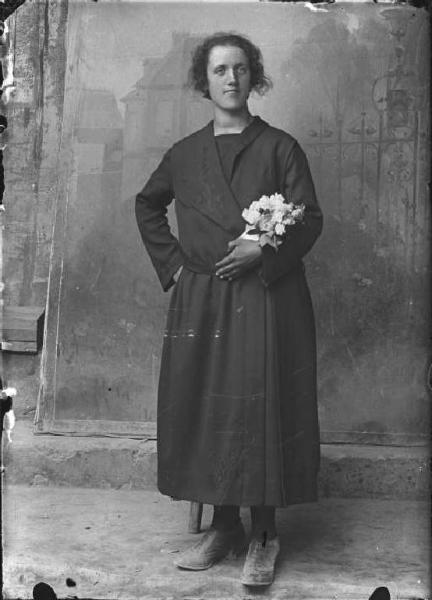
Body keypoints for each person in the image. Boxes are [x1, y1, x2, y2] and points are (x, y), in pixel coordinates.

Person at [135, 32, 323, 587]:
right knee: (211, 405)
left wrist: (262, 249)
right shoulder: (184, 153)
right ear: (204, 81)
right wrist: (174, 266)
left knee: (262, 404)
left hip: (268, 296)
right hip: (205, 298)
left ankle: (264, 529)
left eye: (241, 68)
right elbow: (147, 204)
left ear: (253, 76)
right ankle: (224, 526)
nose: (231, 79)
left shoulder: (280, 147)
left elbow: (308, 218)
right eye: (220, 70)